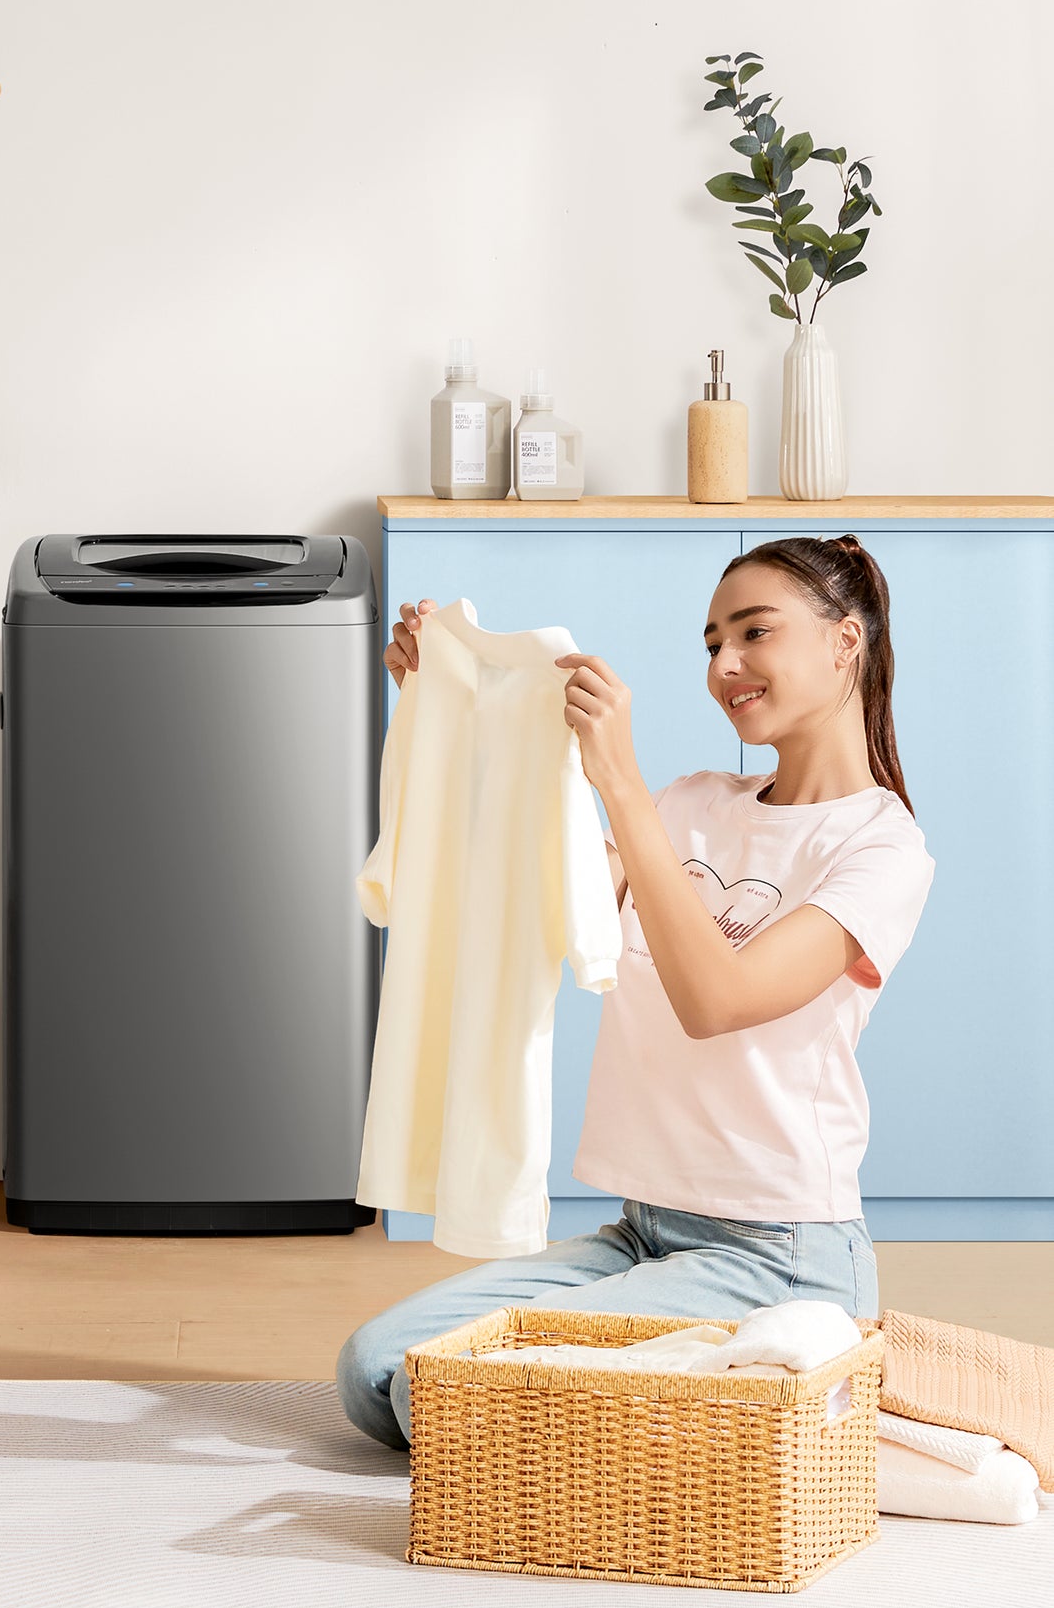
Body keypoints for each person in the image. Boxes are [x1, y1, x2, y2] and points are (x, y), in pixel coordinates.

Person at [336, 532, 936, 1451]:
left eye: (753, 632)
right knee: (376, 1369)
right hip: (644, 1233)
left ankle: (759, 1385)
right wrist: (447, 705)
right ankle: (677, 1413)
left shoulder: (879, 847)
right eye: (709, 643)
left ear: (843, 641)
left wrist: (616, 778)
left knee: (443, 1402)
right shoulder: (694, 802)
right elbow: (522, 895)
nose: (724, 664)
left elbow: (717, 998)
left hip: (779, 1255)